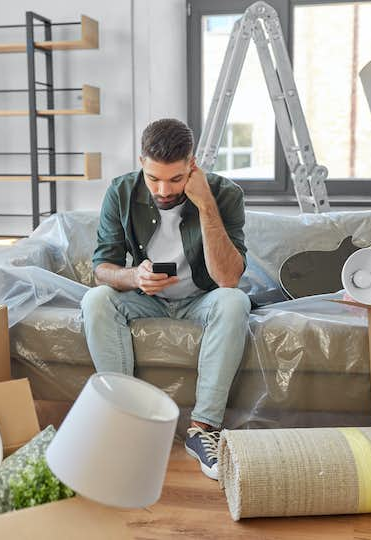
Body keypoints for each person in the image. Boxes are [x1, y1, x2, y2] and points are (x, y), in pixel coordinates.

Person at [80, 118, 250, 480]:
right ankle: (123, 421)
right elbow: (102, 268)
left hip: (202, 300)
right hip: (147, 299)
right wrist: (133, 276)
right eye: (154, 178)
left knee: (235, 302)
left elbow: (228, 279)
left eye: (175, 179)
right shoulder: (121, 191)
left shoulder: (225, 194)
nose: (163, 189)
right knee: (96, 300)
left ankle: (203, 430)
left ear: (192, 165)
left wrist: (205, 206)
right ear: (142, 161)